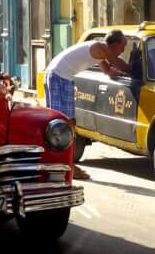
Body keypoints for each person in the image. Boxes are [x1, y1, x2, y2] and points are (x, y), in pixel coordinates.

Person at [44, 30, 130, 178]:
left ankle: (66, 163)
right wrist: (134, 68)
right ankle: (65, 165)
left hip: (60, 76)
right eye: (123, 46)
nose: (123, 50)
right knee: (62, 124)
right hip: (58, 76)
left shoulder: (100, 52)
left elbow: (108, 70)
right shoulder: (101, 48)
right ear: (114, 44)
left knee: (68, 124)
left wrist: (120, 74)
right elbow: (117, 63)